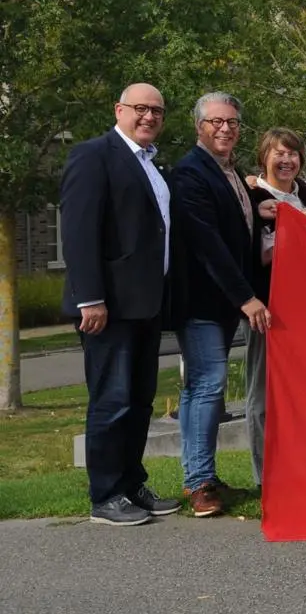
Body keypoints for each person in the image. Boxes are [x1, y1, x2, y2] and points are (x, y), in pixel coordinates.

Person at [59, 83, 181, 526]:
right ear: (119, 110)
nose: (149, 117)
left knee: (139, 400)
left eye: (158, 112)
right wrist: (89, 297)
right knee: (111, 401)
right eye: (141, 109)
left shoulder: (153, 164)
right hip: (107, 307)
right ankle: (105, 495)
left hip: (147, 305)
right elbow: (77, 230)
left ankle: (131, 485)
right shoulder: (95, 155)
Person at [171, 92, 269, 518]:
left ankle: (202, 473)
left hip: (224, 301)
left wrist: (261, 207)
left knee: (203, 388)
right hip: (202, 301)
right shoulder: (190, 173)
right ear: (199, 126)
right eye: (216, 122)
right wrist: (246, 298)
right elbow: (208, 244)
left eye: (231, 122)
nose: (225, 128)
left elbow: (237, 230)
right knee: (207, 387)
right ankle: (198, 483)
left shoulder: (230, 172)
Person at [244, 127, 306, 490]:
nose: (286, 160)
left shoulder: (304, 192)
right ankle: (268, 477)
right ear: (264, 156)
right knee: (263, 394)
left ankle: (304, 468)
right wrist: (292, 234)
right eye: (278, 153)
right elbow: (250, 252)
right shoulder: (251, 195)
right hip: (268, 307)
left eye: (293, 154)